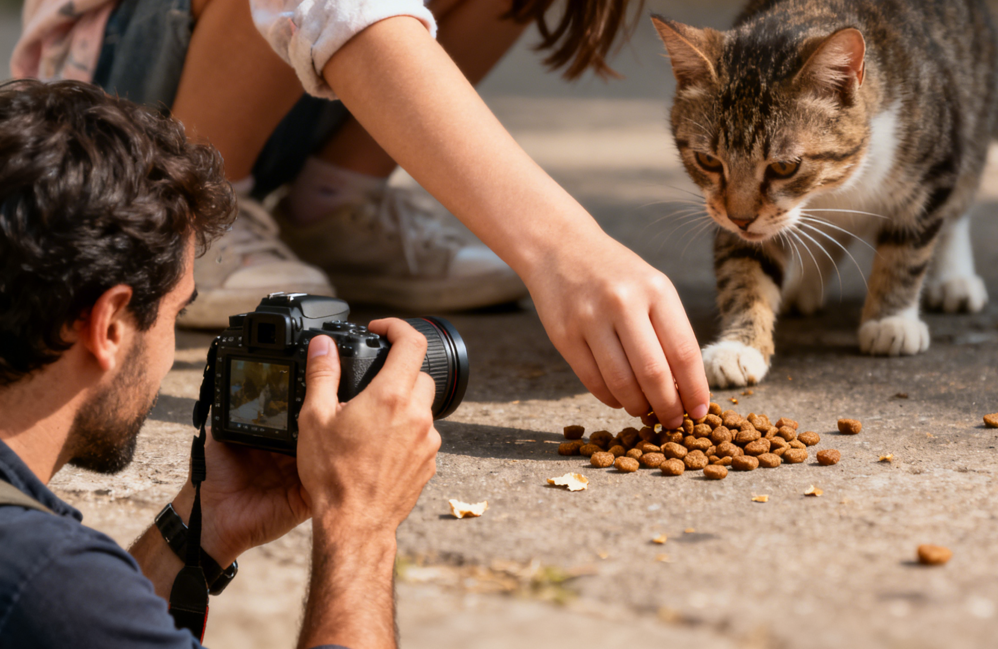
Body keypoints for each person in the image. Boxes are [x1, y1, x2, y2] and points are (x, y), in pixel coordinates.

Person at [12, 0, 713, 429]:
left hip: (295, 77)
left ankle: (334, 200)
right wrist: (563, 248)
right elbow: (329, 5)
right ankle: (206, 215)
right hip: (124, 108)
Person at [0, 79, 440, 648]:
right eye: (177, 313)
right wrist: (359, 523)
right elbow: (60, 607)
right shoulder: (43, 577)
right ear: (108, 326)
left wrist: (195, 530)